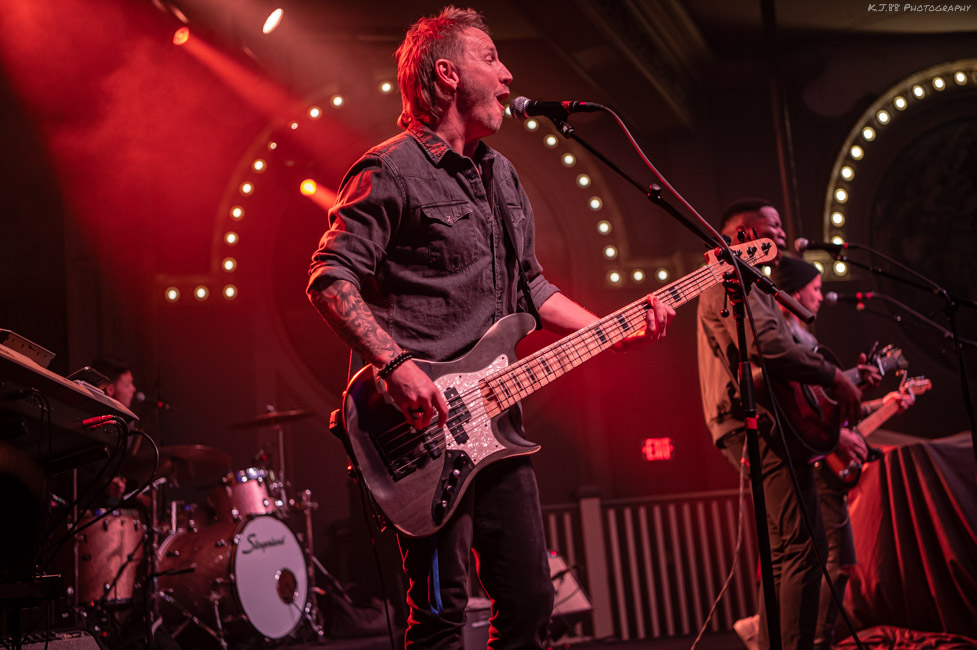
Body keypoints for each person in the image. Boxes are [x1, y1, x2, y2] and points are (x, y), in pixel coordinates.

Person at [306, 7, 674, 647]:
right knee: (443, 617)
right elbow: (329, 277)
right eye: (491, 58)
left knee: (531, 602)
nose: (508, 75)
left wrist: (619, 327)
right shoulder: (389, 170)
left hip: (496, 426)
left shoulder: (502, 175)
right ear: (447, 74)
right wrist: (396, 366)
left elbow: (530, 288)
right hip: (422, 432)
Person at [696, 199, 864, 650]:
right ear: (744, 233)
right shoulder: (731, 277)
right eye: (774, 225)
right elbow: (769, 346)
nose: (784, 234)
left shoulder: (745, 280)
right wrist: (832, 376)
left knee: (783, 555)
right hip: (754, 423)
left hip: (757, 421)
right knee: (804, 550)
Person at [772, 256, 911, 650]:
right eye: (815, 289)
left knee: (834, 563)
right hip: (815, 461)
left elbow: (827, 409)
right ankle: (815, 641)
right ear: (796, 292)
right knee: (830, 562)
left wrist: (879, 399)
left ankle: (817, 639)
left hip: (822, 456)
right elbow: (804, 410)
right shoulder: (786, 341)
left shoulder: (805, 339)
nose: (819, 297)